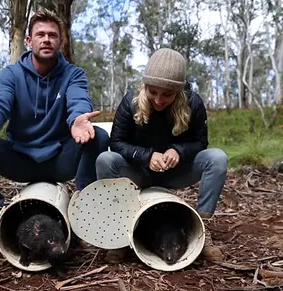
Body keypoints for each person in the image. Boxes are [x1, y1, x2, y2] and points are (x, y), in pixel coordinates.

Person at [0, 9, 109, 224]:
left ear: (60, 41)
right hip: (20, 160)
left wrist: (77, 119)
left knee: (98, 136)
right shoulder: (11, 74)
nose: (46, 39)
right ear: (29, 40)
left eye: (52, 35)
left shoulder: (73, 74)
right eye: (40, 34)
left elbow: (78, 100)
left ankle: (82, 210)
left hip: (59, 161)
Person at [96, 48, 228, 262]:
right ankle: (119, 234)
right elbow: (116, 142)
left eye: (167, 94)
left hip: (175, 172)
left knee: (217, 158)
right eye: (152, 91)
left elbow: (201, 143)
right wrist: (146, 156)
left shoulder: (193, 103)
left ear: (179, 91)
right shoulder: (131, 101)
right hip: (139, 171)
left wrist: (179, 150)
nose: (158, 100)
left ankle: (203, 230)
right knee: (105, 160)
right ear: (145, 86)